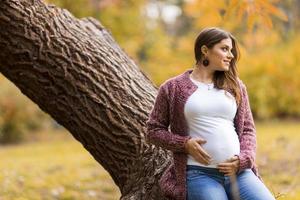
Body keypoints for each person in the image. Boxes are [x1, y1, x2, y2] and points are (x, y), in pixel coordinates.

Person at [145, 27, 275, 200]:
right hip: (199, 174)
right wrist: (184, 144)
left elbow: (248, 130)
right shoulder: (173, 88)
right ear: (205, 50)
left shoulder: (235, 86)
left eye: (231, 50)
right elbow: (153, 131)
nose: (231, 55)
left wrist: (244, 159)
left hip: (239, 173)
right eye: (224, 49)